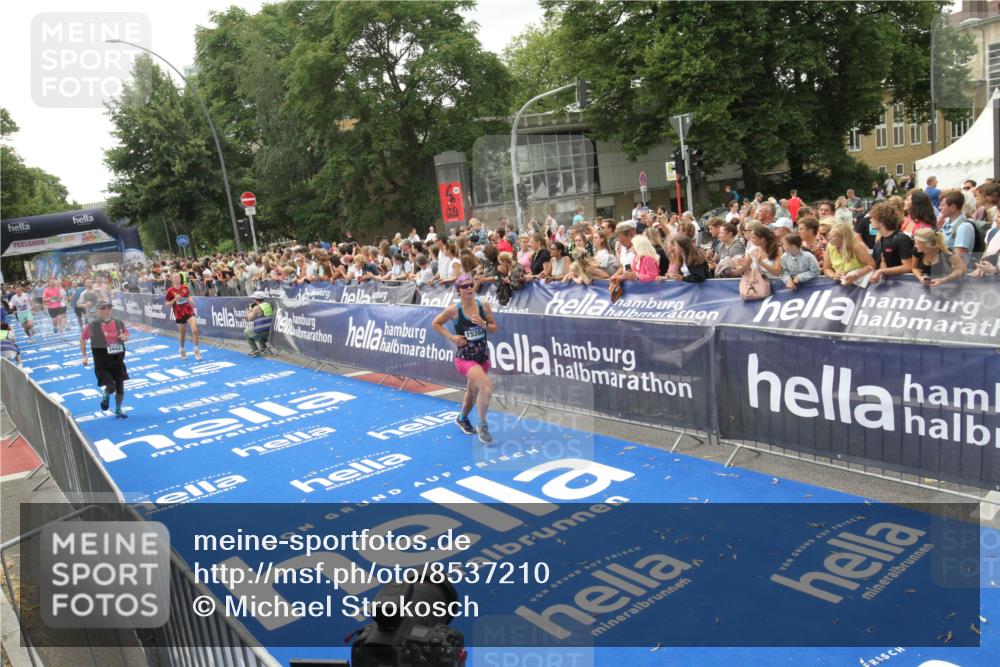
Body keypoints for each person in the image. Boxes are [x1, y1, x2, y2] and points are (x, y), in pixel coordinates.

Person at [432, 274, 496, 444]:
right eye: (465, 286)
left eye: (471, 285)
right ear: (458, 291)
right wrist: (451, 337)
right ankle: (483, 425)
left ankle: (462, 418)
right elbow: (436, 323)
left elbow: (493, 328)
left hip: (482, 356)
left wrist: (483, 324)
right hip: (465, 358)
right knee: (487, 387)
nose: (469, 288)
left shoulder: (484, 305)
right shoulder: (454, 310)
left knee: (472, 391)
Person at [80, 301, 130, 418]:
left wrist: (125, 337)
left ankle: (118, 409)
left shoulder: (118, 323)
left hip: (117, 360)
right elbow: (82, 339)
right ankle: (105, 395)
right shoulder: (92, 325)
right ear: (98, 311)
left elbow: (126, 335)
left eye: (108, 308)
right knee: (111, 387)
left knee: (120, 388)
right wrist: (84, 355)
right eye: (103, 308)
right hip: (102, 362)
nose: (106, 311)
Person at [868, 202, 914, 285]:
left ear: (881, 221)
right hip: (886, 287)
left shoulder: (901, 239)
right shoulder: (879, 241)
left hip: (902, 287)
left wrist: (881, 271)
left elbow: (908, 267)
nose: (870, 220)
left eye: (873, 218)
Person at [822, 221, 875, 287]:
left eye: (833, 236)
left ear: (842, 238)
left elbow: (872, 265)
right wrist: (834, 275)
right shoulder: (830, 246)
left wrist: (856, 275)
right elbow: (826, 268)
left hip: (859, 283)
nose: (829, 238)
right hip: (842, 283)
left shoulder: (856, 246)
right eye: (830, 235)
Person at [165, 272, 202, 360]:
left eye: (178, 277)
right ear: (172, 279)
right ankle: (181, 349)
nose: (177, 278)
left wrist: (191, 300)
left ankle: (196, 350)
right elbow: (167, 305)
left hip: (188, 311)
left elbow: (188, 296)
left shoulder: (185, 287)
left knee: (195, 330)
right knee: (182, 333)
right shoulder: (170, 291)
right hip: (178, 313)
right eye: (175, 277)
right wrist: (174, 299)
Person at [245, 291, 274, 357]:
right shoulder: (268, 305)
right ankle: (263, 348)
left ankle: (255, 350)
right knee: (257, 329)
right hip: (271, 332)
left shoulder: (256, 308)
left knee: (247, 331)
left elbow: (249, 319)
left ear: (255, 299)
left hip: (262, 333)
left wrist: (250, 310)